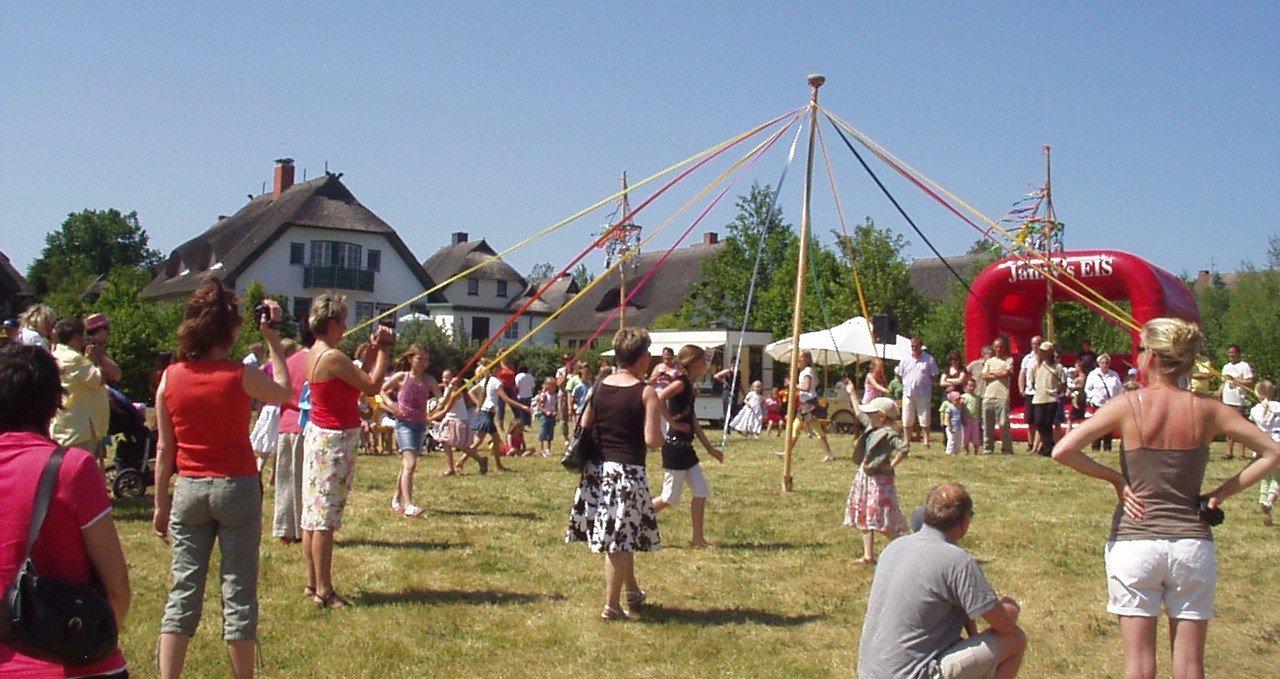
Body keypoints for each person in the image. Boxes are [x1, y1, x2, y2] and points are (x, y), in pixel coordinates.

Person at [1053, 318, 1280, 679]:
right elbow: (1272, 452)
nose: (1136, 357)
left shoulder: (1128, 404)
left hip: (1135, 540)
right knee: (1190, 667)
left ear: (1154, 357)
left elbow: (1064, 450)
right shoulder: (1208, 409)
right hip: (1191, 541)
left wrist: (1116, 479)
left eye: (1141, 350)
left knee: (1138, 666)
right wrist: (1219, 494)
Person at [153, 279, 292, 678]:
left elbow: (165, 449)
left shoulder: (170, 377)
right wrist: (274, 340)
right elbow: (284, 391)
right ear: (229, 331)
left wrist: (160, 503)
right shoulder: (239, 375)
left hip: (190, 488)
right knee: (239, 595)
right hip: (236, 486)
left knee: (182, 593)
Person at [0, 343, 131, 678]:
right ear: (55, 404)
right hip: (68, 661)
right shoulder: (73, 469)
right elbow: (117, 587)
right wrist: (93, 642)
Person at [858, 482, 1026, 679]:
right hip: (912, 675)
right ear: (964, 524)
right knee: (1015, 639)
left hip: (870, 672)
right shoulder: (957, 561)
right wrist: (1011, 605)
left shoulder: (894, 547)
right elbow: (1004, 625)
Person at [302, 293, 395, 608]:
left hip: (318, 436)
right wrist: (384, 350)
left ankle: (312, 582)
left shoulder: (314, 353)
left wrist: (368, 354)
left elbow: (352, 381)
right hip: (334, 441)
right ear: (331, 323)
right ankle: (324, 591)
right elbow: (371, 385)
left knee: (312, 516)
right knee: (325, 518)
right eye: (342, 322)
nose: (346, 328)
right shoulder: (332, 356)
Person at [565, 327, 664, 621]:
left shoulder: (599, 386)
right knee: (619, 540)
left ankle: (632, 590)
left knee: (624, 533)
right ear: (641, 356)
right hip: (626, 471)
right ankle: (612, 604)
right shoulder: (646, 392)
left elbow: (584, 423)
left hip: (597, 470)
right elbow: (652, 441)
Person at [653, 344, 725, 548]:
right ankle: (635, 519)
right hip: (675, 448)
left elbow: (692, 419)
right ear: (693, 362)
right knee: (669, 497)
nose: (706, 364)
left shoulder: (690, 385)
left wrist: (710, 449)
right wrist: (673, 423)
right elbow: (658, 398)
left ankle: (698, 539)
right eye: (703, 360)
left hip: (687, 448)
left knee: (701, 491)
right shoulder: (681, 383)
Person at [841, 393, 910, 565]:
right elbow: (858, 412)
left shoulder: (888, 433)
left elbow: (904, 449)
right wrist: (851, 393)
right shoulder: (872, 427)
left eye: (872, 414)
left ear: (881, 416)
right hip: (866, 477)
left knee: (881, 520)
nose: (868, 417)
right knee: (865, 515)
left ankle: (907, 548)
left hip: (880, 481)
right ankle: (868, 555)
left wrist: (891, 465)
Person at [49, 316, 121, 465]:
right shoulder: (74, 358)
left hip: (67, 425)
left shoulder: (56, 355)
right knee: (80, 468)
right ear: (76, 336)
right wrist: (95, 359)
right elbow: (97, 379)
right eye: (82, 335)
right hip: (80, 429)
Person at [381, 344, 441, 518]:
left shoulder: (429, 380)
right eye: (419, 359)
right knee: (410, 463)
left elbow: (441, 399)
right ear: (410, 360)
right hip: (403, 424)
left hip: (420, 425)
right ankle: (409, 505)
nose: (423, 363)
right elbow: (380, 391)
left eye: (426, 359)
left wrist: (450, 391)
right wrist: (391, 405)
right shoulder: (401, 377)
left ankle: (396, 499)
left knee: (406, 464)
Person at [273, 325, 314, 544]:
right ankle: (300, 529)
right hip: (305, 425)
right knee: (302, 480)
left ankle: (284, 528)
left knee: (285, 480)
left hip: (285, 425)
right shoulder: (315, 361)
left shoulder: (289, 361)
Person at [465, 359, 530, 472]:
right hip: (488, 413)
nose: (502, 370)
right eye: (500, 368)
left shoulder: (486, 380)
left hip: (485, 412)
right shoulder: (496, 382)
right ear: (495, 369)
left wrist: (479, 404)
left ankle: (498, 466)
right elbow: (506, 399)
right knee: (478, 442)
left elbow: (470, 392)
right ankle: (461, 462)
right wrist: (522, 407)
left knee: (494, 440)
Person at [431, 369, 482, 474]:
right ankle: (450, 469)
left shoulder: (456, 392)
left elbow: (445, 407)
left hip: (458, 421)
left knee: (461, 446)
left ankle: (481, 460)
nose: (446, 380)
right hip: (449, 419)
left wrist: (430, 418)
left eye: (448, 378)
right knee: (445, 442)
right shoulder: (447, 388)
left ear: (455, 379)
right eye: (444, 377)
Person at [895, 336, 939, 448]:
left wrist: (924, 382)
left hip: (923, 394)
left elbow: (934, 375)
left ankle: (926, 441)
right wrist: (906, 383)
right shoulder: (905, 359)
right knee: (907, 419)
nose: (914, 348)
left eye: (916, 346)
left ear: (921, 347)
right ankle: (906, 441)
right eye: (912, 346)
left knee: (924, 419)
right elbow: (899, 374)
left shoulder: (929, 359)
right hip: (908, 393)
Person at [793, 350, 835, 461]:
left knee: (817, 430)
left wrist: (795, 386)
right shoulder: (805, 371)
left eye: (800, 357)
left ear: (806, 359)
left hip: (809, 404)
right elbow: (815, 383)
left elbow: (806, 387)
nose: (798, 358)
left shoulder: (807, 371)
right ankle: (787, 452)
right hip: (805, 403)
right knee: (796, 427)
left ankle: (829, 453)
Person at [1249, 379, 1280, 525]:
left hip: (1260, 446)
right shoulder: (1277, 406)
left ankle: (1263, 500)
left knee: (1264, 477)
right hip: (1275, 446)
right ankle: (1269, 502)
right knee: (1276, 478)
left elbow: (1255, 421)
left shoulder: (1255, 410)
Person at [1030, 341, 1066, 457]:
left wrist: (1057, 390)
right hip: (1039, 398)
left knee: (1048, 423)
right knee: (1039, 422)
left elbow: (1062, 382)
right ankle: (1049, 445)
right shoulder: (1037, 366)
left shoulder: (1058, 367)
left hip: (1052, 398)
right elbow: (1033, 380)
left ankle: (1047, 448)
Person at [1219, 343, 1255, 460]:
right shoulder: (1226, 367)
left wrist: (1235, 380)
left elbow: (1250, 382)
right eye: (1229, 353)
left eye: (1233, 353)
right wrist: (1218, 393)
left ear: (1238, 354)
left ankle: (1242, 453)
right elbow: (1224, 382)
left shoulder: (1244, 366)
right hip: (1227, 400)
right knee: (1228, 428)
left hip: (1239, 401)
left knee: (1241, 428)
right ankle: (1229, 452)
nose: (1231, 355)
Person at [981, 337, 1015, 455]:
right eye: (996, 347)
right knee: (987, 424)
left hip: (1002, 395)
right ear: (993, 348)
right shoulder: (989, 361)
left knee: (1004, 424)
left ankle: (1007, 449)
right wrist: (999, 374)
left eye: (1001, 347)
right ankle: (988, 448)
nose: (999, 349)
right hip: (988, 395)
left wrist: (993, 373)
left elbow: (1007, 373)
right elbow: (984, 375)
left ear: (1004, 347)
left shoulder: (1009, 360)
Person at [1085, 353, 1124, 452]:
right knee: (1097, 426)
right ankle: (1095, 446)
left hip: (1110, 403)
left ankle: (1107, 447)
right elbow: (1088, 388)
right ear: (1099, 364)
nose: (1105, 364)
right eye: (1102, 363)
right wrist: (1091, 398)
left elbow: (1119, 388)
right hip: (1097, 403)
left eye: (1106, 362)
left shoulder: (1114, 375)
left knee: (1108, 426)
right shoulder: (1093, 374)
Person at [1016, 334, 1043, 453]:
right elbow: (1022, 373)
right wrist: (1021, 388)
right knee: (1030, 420)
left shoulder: (1046, 358)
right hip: (1030, 392)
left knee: (1039, 420)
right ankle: (1030, 442)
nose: (1035, 346)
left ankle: (1039, 444)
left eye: (1037, 344)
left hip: (1042, 392)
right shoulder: (1027, 359)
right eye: (1033, 344)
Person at [967, 344, 993, 440]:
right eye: (988, 354)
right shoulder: (975, 364)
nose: (990, 356)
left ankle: (984, 440)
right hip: (976, 396)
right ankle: (974, 438)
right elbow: (964, 372)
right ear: (983, 354)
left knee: (986, 419)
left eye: (992, 354)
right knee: (974, 418)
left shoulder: (994, 366)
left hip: (988, 396)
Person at [534, 376, 559, 457]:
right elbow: (539, 405)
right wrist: (546, 411)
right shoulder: (544, 395)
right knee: (543, 431)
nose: (554, 387)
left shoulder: (555, 395)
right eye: (552, 385)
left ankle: (548, 449)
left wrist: (555, 411)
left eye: (554, 386)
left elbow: (556, 405)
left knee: (550, 432)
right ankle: (542, 449)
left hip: (552, 415)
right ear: (547, 386)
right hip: (545, 416)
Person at [960, 378, 981, 455]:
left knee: (976, 435)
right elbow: (961, 408)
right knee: (966, 436)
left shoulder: (977, 397)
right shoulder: (963, 397)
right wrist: (962, 417)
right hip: (966, 418)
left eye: (973, 386)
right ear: (965, 387)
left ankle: (976, 450)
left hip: (975, 418)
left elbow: (979, 407)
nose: (971, 388)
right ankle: (966, 450)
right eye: (969, 386)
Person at [942, 390, 964, 456]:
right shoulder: (950, 408)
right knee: (951, 440)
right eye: (956, 400)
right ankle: (949, 452)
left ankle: (957, 452)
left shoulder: (960, 407)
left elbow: (963, 401)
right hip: (951, 427)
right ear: (952, 400)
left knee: (958, 440)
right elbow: (948, 417)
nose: (958, 401)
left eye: (959, 399)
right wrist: (950, 426)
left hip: (958, 427)